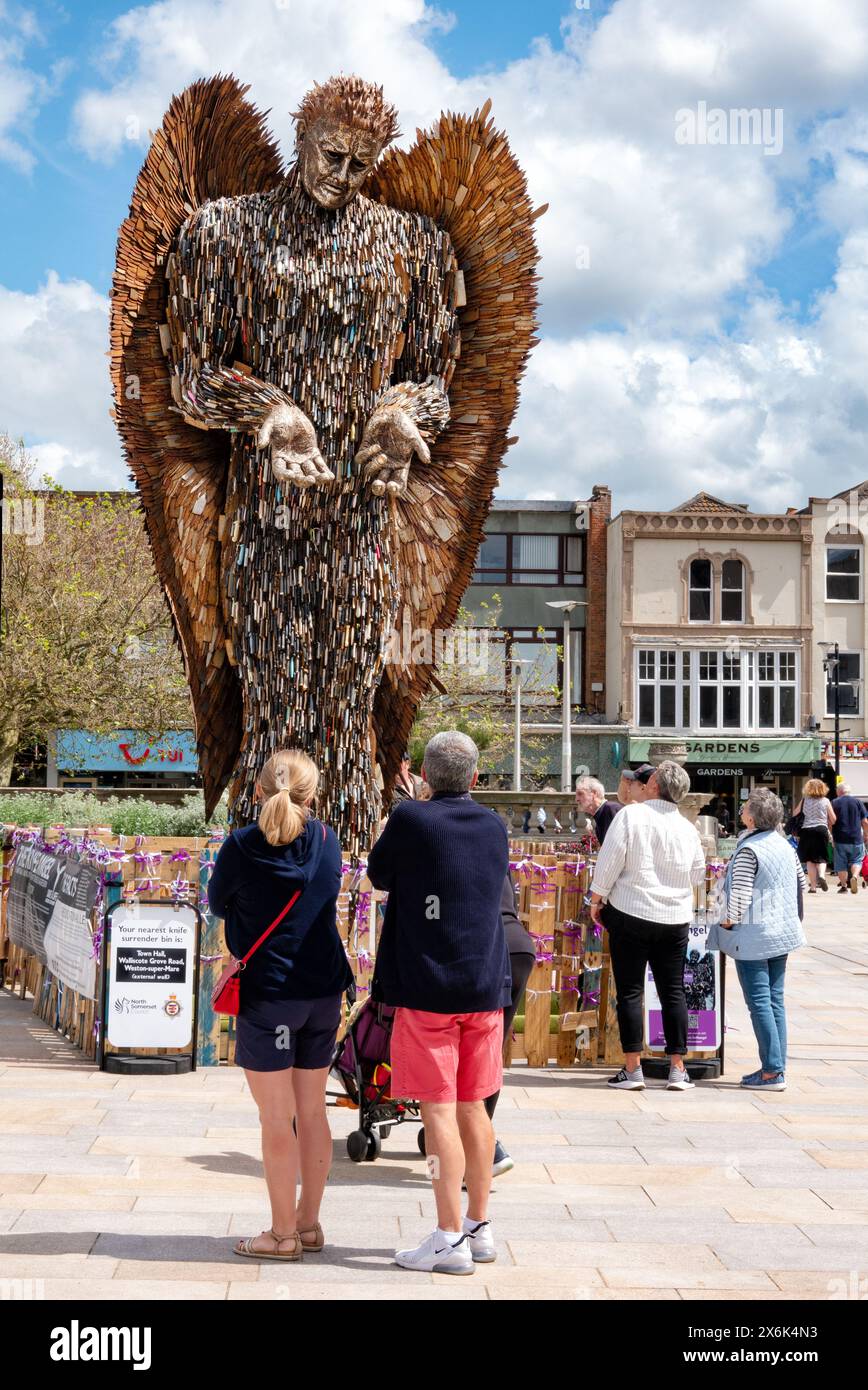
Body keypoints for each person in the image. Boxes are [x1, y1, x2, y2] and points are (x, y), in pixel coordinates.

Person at [368, 730, 511, 1275]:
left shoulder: (412, 818)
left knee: (437, 1111)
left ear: (426, 777)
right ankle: (479, 1226)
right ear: (475, 778)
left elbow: (379, 874)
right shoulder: (495, 824)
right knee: (475, 1105)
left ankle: (447, 1236)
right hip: (482, 985)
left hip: (427, 986)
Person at [207, 749, 352, 1262]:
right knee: (312, 1110)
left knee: (276, 1119)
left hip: (268, 994)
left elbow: (217, 903)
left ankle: (281, 1234)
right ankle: (308, 1225)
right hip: (322, 989)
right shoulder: (328, 841)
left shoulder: (241, 846)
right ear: (313, 794)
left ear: (258, 790)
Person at [588, 761, 706, 1093]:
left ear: (653, 783)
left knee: (630, 990)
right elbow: (698, 873)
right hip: (673, 916)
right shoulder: (687, 827)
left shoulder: (631, 815)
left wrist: (596, 900)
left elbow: (610, 861)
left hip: (632, 910)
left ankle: (632, 1068)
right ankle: (677, 1068)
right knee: (673, 991)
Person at [708, 787, 806, 1092]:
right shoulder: (784, 845)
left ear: (754, 816)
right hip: (782, 932)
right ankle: (777, 1067)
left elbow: (738, 899)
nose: (742, 810)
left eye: (746, 806)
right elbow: (801, 884)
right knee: (775, 1000)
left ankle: (772, 1071)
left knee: (760, 1002)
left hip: (754, 935)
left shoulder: (750, 849)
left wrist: (724, 924)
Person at [485, 871, 536, 1176]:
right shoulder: (493, 846)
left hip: (490, 948)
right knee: (490, 1052)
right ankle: (485, 1143)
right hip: (519, 945)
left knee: (476, 1054)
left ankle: (484, 1150)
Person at [793, 778, 836, 893]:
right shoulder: (826, 801)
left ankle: (812, 887)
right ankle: (822, 875)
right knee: (821, 856)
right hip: (821, 830)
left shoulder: (804, 800)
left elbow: (795, 813)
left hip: (806, 831)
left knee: (810, 860)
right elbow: (834, 819)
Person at [830, 783, 868, 894]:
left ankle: (843, 886)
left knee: (841, 863)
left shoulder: (834, 802)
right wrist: (866, 834)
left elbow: (830, 821)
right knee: (857, 860)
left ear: (839, 791)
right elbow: (865, 822)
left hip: (840, 838)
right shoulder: (858, 802)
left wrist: (832, 835)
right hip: (856, 837)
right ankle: (855, 877)